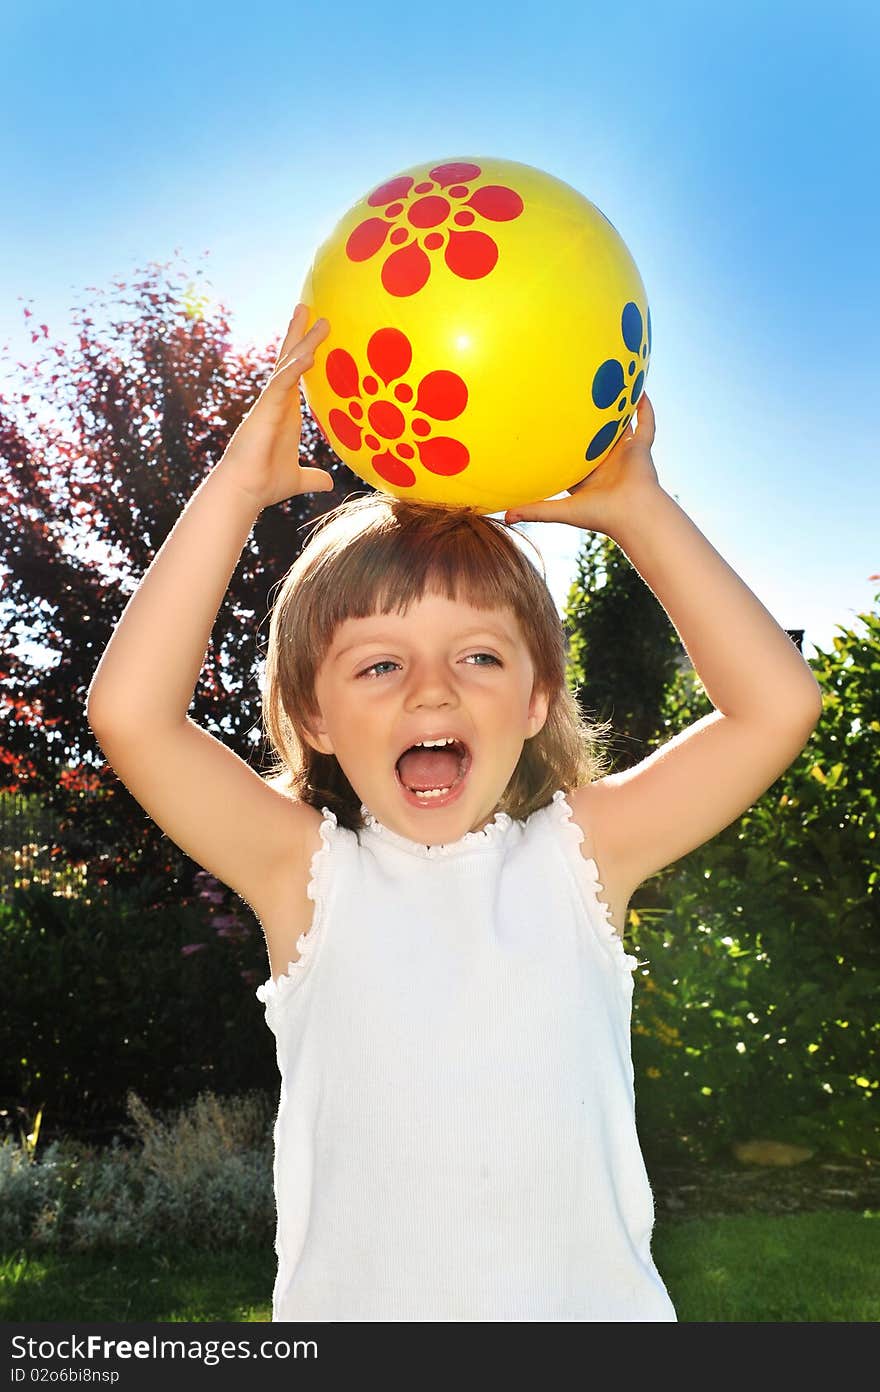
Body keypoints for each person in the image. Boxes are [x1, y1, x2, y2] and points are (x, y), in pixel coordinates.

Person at [86, 303, 824, 1322]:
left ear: (532, 704)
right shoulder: (306, 879)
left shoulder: (581, 857)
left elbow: (777, 705)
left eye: (477, 656)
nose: (431, 692)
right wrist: (236, 485)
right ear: (315, 715)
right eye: (379, 664)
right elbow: (130, 715)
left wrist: (640, 512)